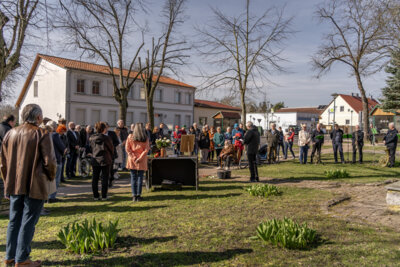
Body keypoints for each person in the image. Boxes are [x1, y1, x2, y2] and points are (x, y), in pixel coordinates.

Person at [2, 104, 56, 267]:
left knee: (14, 220)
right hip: (35, 183)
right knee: (28, 221)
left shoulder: (10, 133)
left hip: (14, 183)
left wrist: (7, 183)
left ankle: (10, 256)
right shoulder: (41, 133)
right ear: (38, 117)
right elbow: (50, 162)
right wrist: (50, 177)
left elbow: (2, 163)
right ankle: (22, 259)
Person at [89, 122, 114, 200]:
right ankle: (104, 196)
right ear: (103, 129)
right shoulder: (106, 138)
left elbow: (91, 147)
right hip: (105, 159)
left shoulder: (91, 137)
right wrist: (111, 155)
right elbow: (111, 148)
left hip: (95, 159)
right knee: (105, 178)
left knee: (95, 178)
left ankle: (95, 196)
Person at [126, 123, 150, 202]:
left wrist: (134, 157)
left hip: (132, 159)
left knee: (133, 177)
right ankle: (138, 195)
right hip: (141, 159)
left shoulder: (130, 136)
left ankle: (134, 195)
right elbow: (146, 150)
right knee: (140, 177)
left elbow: (128, 149)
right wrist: (140, 158)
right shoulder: (145, 138)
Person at [48, 121, 67, 203]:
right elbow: (62, 147)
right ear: (54, 127)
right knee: (56, 179)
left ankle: (47, 196)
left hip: (47, 159)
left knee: (48, 179)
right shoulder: (55, 135)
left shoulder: (44, 134)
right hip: (56, 159)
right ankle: (52, 197)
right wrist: (65, 151)